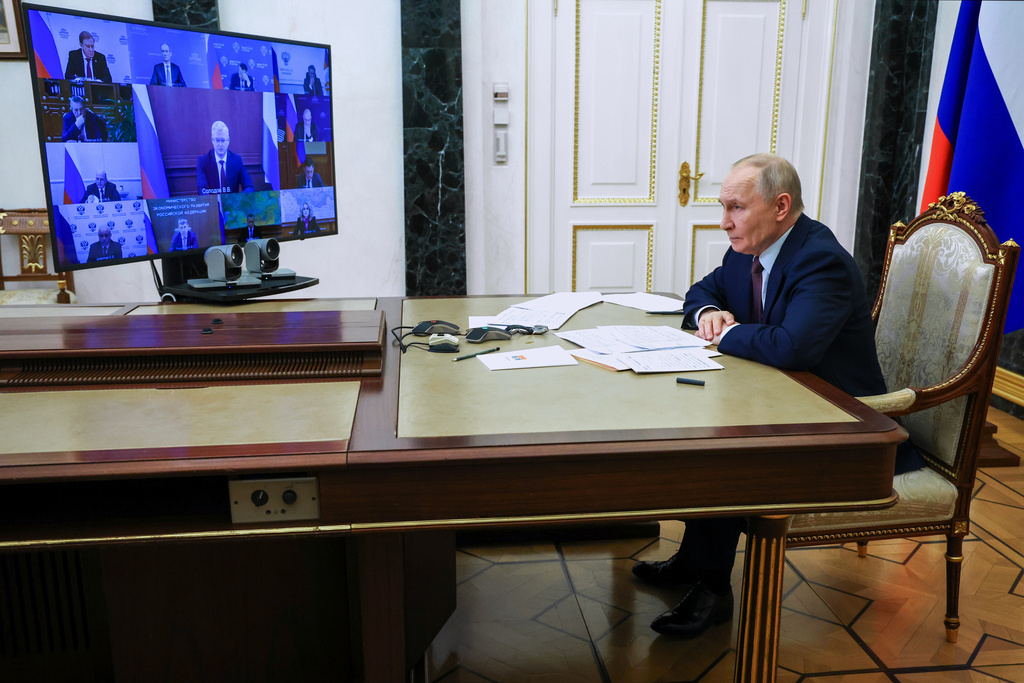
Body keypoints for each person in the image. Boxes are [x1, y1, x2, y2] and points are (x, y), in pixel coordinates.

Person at [631, 153, 924, 639]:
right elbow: (703, 289)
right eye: (723, 208)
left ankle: (712, 591)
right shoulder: (748, 250)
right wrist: (707, 312)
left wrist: (725, 335)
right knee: (706, 430)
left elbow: (793, 347)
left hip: (847, 427)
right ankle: (694, 560)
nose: (724, 222)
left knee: (727, 450)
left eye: (736, 208)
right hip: (785, 405)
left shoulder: (820, 261)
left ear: (781, 206)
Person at [196, 121, 254, 194]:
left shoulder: (237, 160)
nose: (220, 144)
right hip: (213, 201)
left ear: (228, 141)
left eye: (223, 140)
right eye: (217, 140)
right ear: (212, 140)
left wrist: (239, 199)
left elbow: (249, 187)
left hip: (232, 201)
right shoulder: (203, 161)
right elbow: (202, 190)